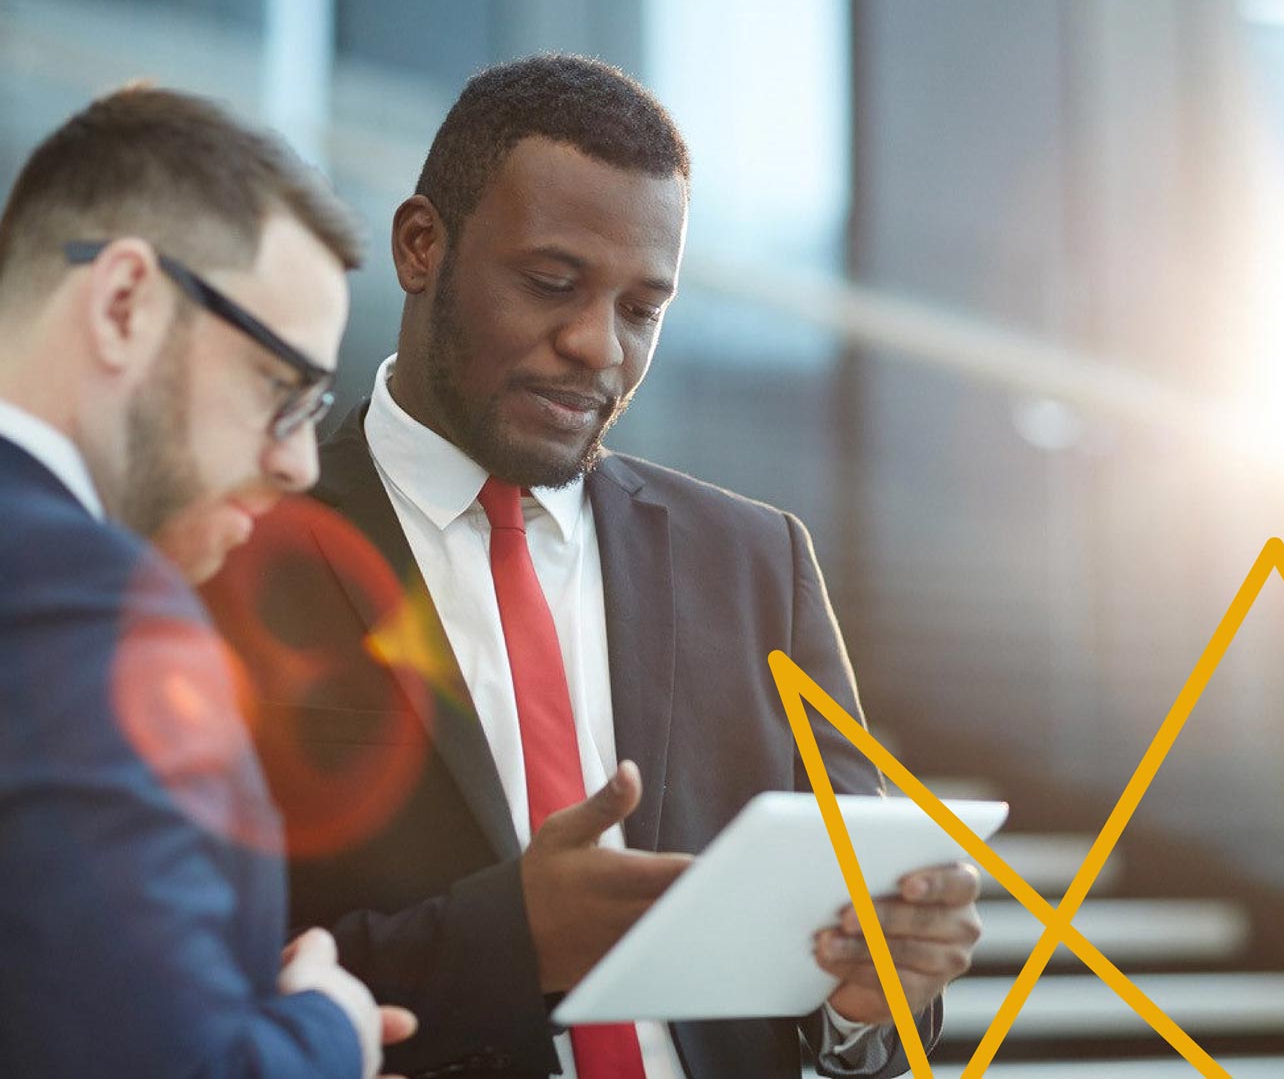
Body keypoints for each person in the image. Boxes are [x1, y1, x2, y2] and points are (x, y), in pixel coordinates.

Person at [204, 54, 981, 1079]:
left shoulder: (757, 564)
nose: (596, 347)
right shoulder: (229, 543)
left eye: (641, 310)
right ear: (421, 244)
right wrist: (506, 939)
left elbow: (867, 1015)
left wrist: (866, 1004)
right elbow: (173, 978)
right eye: (552, 284)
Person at [0, 86, 416, 1078]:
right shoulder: (81, 596)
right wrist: (327, 1030)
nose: (300, 465)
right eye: (282, 389)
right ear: (123, 303)